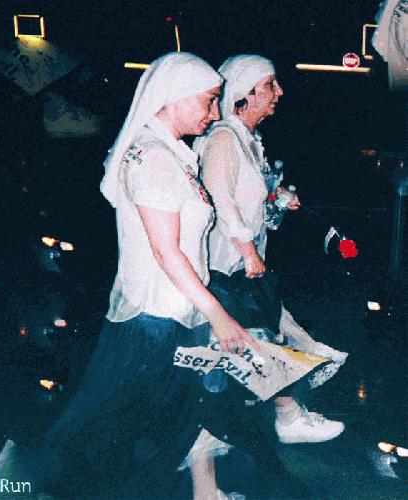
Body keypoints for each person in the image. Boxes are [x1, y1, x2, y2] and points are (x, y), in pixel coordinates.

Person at [37, 51, 263, 499]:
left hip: (177, 309)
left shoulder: (171, 153)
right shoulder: (154, 157)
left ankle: (204, 493)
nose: (214, 111)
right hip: (155, 317)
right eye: (208, 100)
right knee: (121, 427)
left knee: (181, 413)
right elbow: (165, 251)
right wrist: (217, 314)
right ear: (173, 97)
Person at [193, 54, 348, 445]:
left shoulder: (249, 141)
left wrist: (275, 200)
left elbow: (250, 202)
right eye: (270, 85)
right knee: (260, 344)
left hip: (242, 268)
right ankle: (286, 416)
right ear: (244, 93)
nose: (279, 92)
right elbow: (219, 199)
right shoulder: (224, 138)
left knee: (252, 351)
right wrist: (247, 250)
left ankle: (272, 421)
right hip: (225, 269)